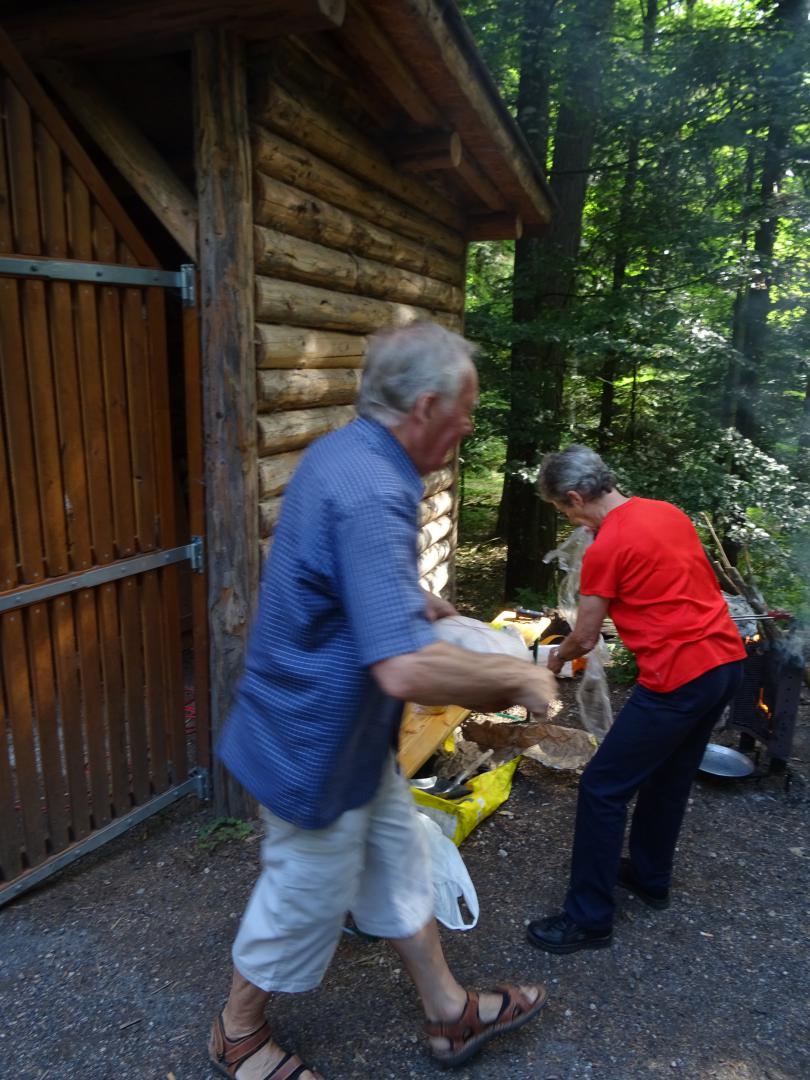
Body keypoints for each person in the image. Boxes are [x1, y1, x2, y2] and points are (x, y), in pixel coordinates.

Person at [211, 322, 556, 1079]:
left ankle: (448, 1011)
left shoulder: (346, 452)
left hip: (347, 736)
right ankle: (236, 1034)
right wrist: (519, 680)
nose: (469, 427)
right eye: (466, 411)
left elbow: (337, 571)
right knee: (305, 891)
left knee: (399, 858)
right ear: (427, 406)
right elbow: (402, 669)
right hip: (312, 742)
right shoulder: (374, 488)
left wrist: (410, 600)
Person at [526, 444, 746, 955]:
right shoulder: (667, 512)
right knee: (669, 777)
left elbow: (584, 637)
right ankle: (650, 877)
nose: (570, 521)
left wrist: (552, 661)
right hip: (725, 664)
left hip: (680, 678)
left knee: (602, 788)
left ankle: (588, 919)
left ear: (576, 497)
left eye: (564, 510)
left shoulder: (607, 547)